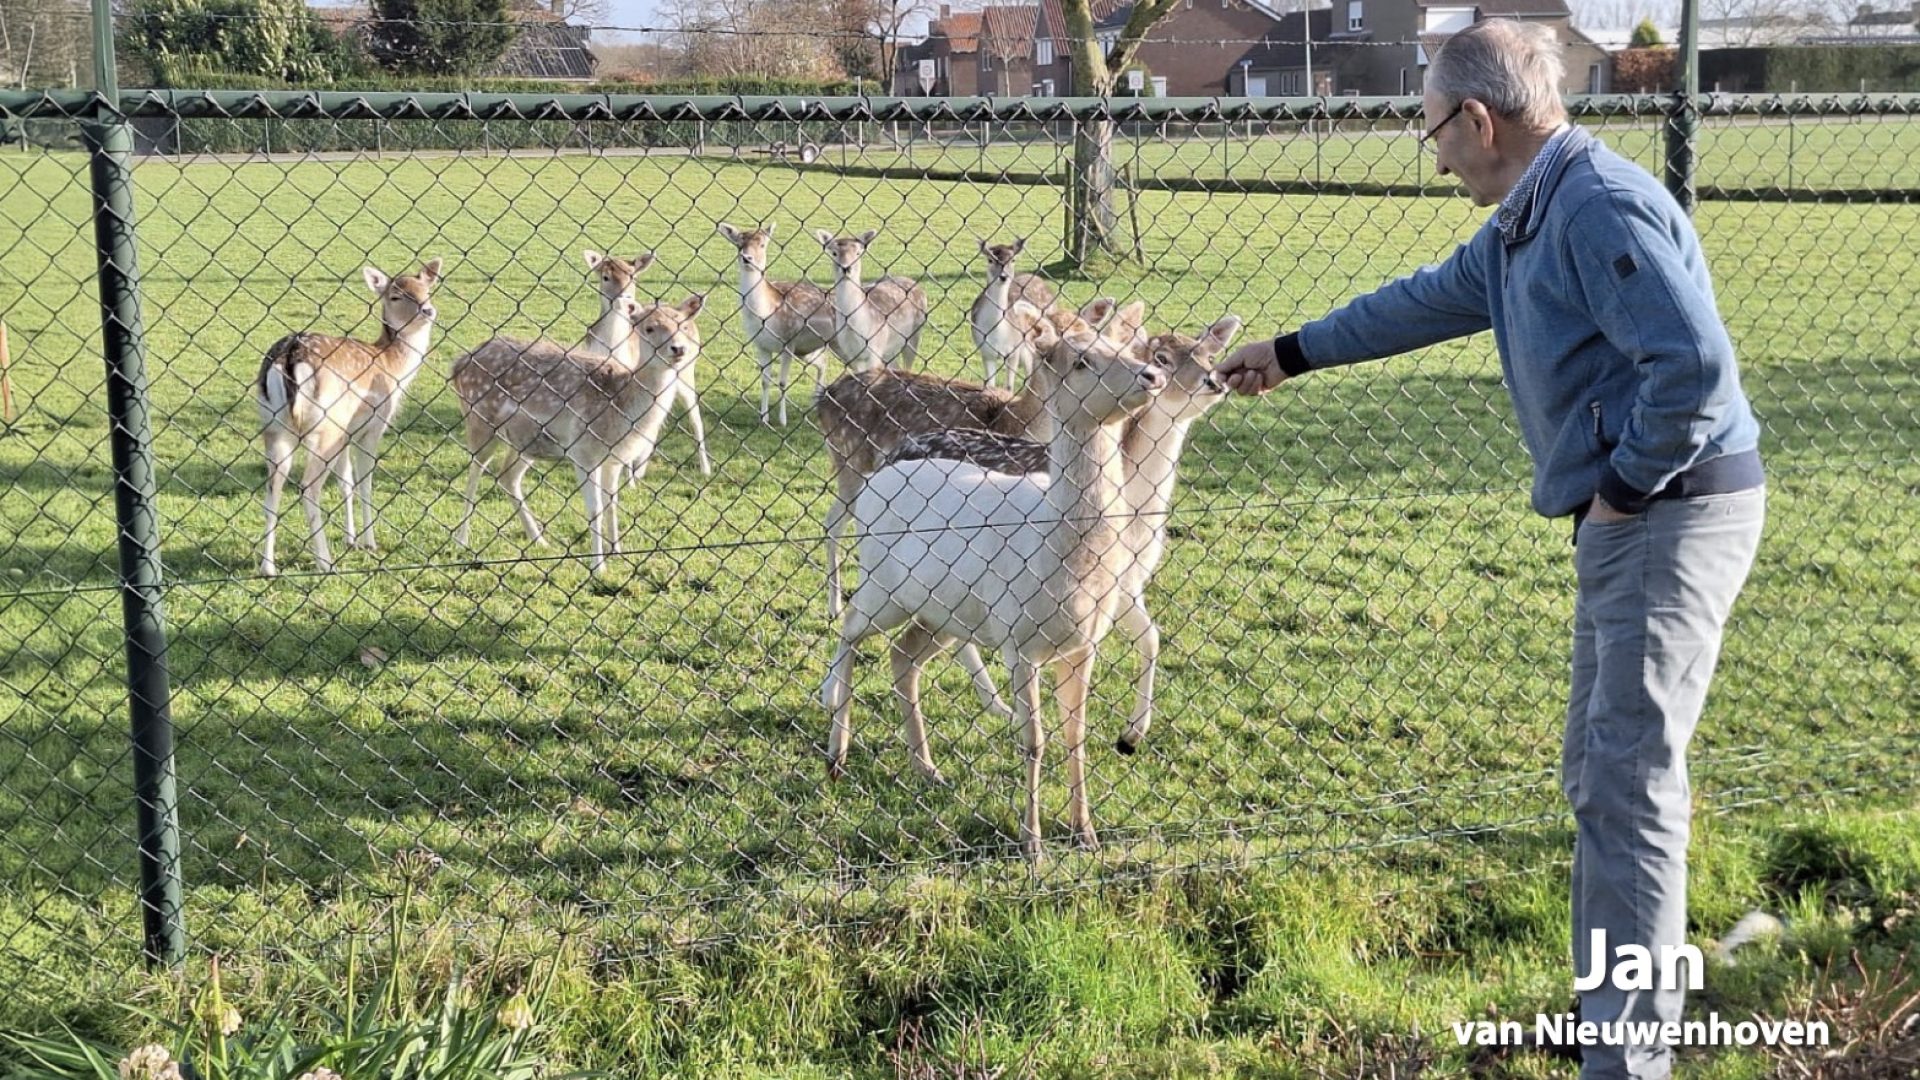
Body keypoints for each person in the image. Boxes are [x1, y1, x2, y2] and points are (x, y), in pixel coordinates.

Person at [1213, 18, 1766, 1079]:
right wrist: (1290, 354)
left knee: (1631, 780)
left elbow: (1691, 372)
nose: (1438, 158)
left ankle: (1627, 1055)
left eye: (1434, 136)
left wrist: (1616, 492)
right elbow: (1423, 301)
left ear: (1479, 117)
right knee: (1605, 777)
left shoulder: (1596, 205)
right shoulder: (1529, 218)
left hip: (1669, 512)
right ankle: (1618, 1017)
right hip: (1643, 513)